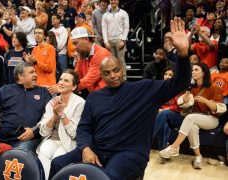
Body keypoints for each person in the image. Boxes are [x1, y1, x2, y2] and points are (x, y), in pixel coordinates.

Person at [49, 17, 191, 180]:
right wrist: (85, 148)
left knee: (108, 177)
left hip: (129, 153)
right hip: (97, 149)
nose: (113, 76)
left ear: (122, 69)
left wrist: (182, 53)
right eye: (107, 73)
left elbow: (180, 82)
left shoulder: (144, 89)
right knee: (58, 164)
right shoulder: (94, 97)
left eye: (116, 70)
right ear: (101, 75)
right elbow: (84, 128)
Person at [160, 62, 226, 169]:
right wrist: (188, 89)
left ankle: (174, 147)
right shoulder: (192, 87)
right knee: (192, 127)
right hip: (196, 117)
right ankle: (198, 157)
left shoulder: (213, 87)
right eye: (192, 70)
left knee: (190, 118)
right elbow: (183, 103)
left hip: (211, 119)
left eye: (196, 70)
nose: (193, 72)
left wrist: (206, 101)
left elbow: (220, 108)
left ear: (203, 73)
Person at [0, 61, 52, 152]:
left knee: (19, 154)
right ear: (20, 76)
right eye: (31, 72)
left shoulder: (43, 92)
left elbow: (49, 116)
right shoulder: (4, 90)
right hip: (2, 139)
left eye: (35, 72)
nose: (35, 75)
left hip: (29, 140)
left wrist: (34, 131)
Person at [37, 69, 85, 179]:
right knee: (43, 154)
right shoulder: (52, 102)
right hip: (51, 139)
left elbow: (74, 133)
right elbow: (43, 132)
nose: (61, 82)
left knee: (57, 159)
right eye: (60, 79)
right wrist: (54, 115)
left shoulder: (80, 103)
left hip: (68, 142)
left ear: (73, 87)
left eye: (66, 80)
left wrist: (61, 114)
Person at [48, 26, 112, 98]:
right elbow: (76, 75)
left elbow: (88, 80)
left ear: (86, 39)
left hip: (107, 96)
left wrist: (63, 88)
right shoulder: (83, 54)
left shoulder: (101, 54)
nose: (74, 47)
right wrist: (61, 84)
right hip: (95, 94)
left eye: (75, 43)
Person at [153, 66, 184, 164]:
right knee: (164, 125)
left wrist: (163, 110)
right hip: (163, 117)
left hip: (177, 117)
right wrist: (158, 110)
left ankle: (147, 139)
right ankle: (164, 152)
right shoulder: (160, 88)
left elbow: (179, 108)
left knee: (165, 114)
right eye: (165, 74)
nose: (167, 76)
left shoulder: (179, 88)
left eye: (170, 75)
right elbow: (154, 104)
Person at [102, 0, 129, 79]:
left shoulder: (123, 13)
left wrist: (123, 40)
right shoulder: (105, 15)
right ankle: (114, 79)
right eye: (111, 0)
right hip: (109, 42)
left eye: (115, 0)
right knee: (111, 63)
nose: (113, 1)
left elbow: (126, 27)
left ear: (118, 1)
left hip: (119, 40)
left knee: (121, 61)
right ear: (110, 1)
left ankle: (123, 80)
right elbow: (104, 29)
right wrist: (105, 42)